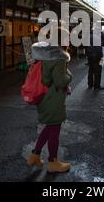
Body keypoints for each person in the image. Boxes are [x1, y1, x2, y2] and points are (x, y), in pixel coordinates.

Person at [27, 29, 72, 173]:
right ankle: (53, 162)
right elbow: (59, 81)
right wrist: (69, 76)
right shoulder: (59, 57)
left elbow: (46, 78)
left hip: (44, 97)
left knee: (49, 127)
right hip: (53, 99)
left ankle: (35, 154)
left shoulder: (44, 54)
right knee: (54, 130)